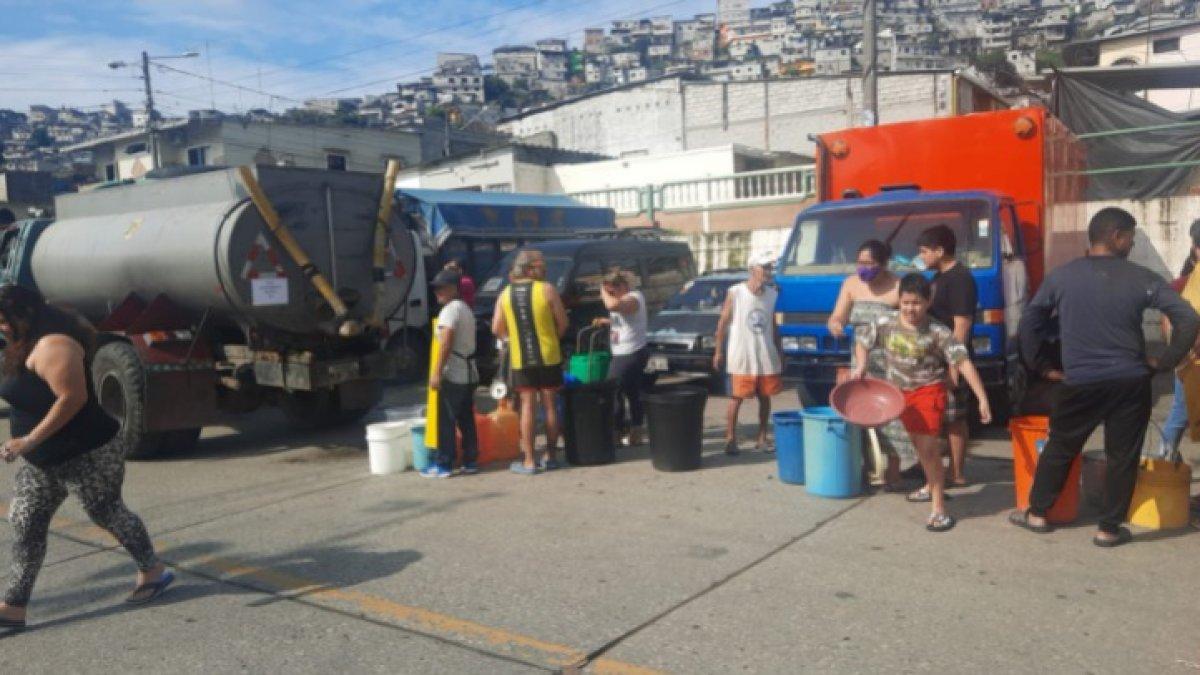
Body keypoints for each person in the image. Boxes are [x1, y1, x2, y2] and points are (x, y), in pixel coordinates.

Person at [1013, 207, 1199, 547]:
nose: (1131, 242)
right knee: (1122, 455)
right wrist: (1167, 362)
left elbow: (1029, 322)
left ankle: (1038, 513)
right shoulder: (1143, 278)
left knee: (1061, 446)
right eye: (1130, 236)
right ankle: (1108, 529)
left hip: (1080, 381)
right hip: (1131, 381)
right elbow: (1187, 319)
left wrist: (1039, 366)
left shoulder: (1062, 276)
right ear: (1116, 237)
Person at [0, 285, 173, 633]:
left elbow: (72, 398)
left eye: (3, 320)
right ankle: (13, 607)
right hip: (44, 459)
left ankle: (152, 570)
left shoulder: (54, 346)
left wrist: (28, 440)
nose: (0, 327)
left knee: (106, 511)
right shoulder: (20, 342)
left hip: (87, 452)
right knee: (25, 522)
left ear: (23, 316)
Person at [852, 273, 992, 532]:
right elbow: (862, 343)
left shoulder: (938, 331)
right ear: (899, 301)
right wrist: (861, 365)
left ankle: (939, 508)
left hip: (929, 391)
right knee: (918, 444)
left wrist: (982, 398)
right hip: (899, 394)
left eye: (916, 303)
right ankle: (930, 484)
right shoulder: (885, 322)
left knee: (927, 448)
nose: (910, 309)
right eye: (905, 302)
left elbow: (963, 362)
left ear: (928, 302)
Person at [828, 239, 909, 487]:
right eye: (859, 262)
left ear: (884, 264)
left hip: (891, 361)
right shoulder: (851, 284)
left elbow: (911, 321)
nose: (863, 268)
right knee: (859, 413)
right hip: (860, 361)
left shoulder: (898, 286)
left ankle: (894, 473)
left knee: (893, 418)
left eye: (869, 263)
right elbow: (837, 315)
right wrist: (836, 324)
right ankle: (865, 468)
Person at [492, 249, 568, 474]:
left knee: (527, 406)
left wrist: (512, 339)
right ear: (529, 268)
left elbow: (497, 328)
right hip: (549, 355)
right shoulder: (547, 289)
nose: (544, 268)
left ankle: (529, 461)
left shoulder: (505, 294)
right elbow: (563, 323)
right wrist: (552, 338)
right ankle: (552, 456)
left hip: (521, 359)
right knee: (550, 405)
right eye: (540, 264)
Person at [916, 224, 977, 489]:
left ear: (940, 251)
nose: (922, 257)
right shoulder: (937, 278)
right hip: (935, 359)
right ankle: (936, 469)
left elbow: (961, 325)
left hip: (953, 359)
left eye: (924, 252)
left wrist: (954, 365)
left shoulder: (960, 279)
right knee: (939, 415)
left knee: (954, 418)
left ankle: (957, 473)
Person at [714, 252, 783, 455]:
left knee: (765, 397)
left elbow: (772, 324)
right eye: (764, 267)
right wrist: (718, 351)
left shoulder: (772, 294)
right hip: (741, 355)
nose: (768, 272)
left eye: (770, 268)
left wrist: (780, 351)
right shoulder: (736, 292)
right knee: (736, 398)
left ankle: (762, 437)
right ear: (753, 269)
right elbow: (723, 323)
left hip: (765, 354)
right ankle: (730, 438)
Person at [424, 270, 479, 479]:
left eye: (442, 287)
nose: (437, 291)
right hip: (469, 373)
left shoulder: (449, 311)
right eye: (436, 287)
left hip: (454, 373)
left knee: (445, 420)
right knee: (466, 418)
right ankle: (470, 460)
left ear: (454, 289)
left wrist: (437, 372)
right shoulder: (465, 308)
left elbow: (445, 342)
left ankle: (443, 464)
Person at [1156, 224, 1200, 459]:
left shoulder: (1180, 285)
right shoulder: (1182, 285)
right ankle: (1164, 462)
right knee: (1180, 413)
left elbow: (1168, 331)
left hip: (1187, 361)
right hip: (1190, 363)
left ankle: (1163, 462)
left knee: (1180, 415)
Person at [593, 271, 649, 446]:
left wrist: (603, 292)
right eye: (609, 292)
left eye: (613, 291)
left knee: (613, 389)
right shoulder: (623, 301)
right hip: (621, 351)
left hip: (630, 352)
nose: (611, 295)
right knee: (632, 392)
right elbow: (625, 319)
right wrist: (607, 321)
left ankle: (617, 432)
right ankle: (634, 431)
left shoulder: (634, 297)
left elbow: (614, 306)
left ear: (623, 286)